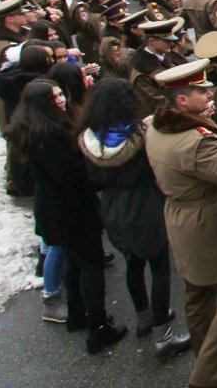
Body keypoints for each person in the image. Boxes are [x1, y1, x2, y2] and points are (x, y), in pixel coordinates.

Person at [145, 59, 217, 388]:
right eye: (201, 93)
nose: (209, 97)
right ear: (181, 101)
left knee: (198, 295)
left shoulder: (156, 126)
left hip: (179, 217)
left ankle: (209, 357)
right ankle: (209, 374)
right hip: (208, 223)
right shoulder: (197, 140)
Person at [9, 79, 127, 353]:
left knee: (75, 267)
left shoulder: (35, 128)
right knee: (91, 267)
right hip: (72, 211)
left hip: (57, 210)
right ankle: (98, 327)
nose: (61, 100)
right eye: (53, 98)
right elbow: (68, 174)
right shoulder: (49, 135)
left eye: (60, 94)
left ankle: (78, 315)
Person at [79, 78, 191, 358]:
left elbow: (93, 180)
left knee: (132, 263)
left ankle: (143, 317)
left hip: (113, 208)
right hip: (145, 205)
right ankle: (163, 333)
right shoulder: (141, 133)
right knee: (160, 267)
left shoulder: (91, 139)